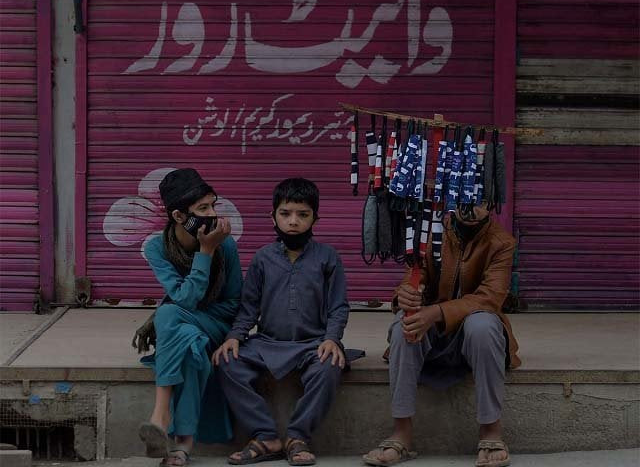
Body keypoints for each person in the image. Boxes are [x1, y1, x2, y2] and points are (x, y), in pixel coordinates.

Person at [213, 178, 359, 466]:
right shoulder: (262, 258)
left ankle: (297, 435)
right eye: (286, 213)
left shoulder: (328, 258)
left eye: (303, 215)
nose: (293, 222)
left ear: (315, 217)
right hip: (267, 343)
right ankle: (266, 436)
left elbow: (338, 306)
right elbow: (249, 307)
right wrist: (234, 336)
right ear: (273, 216)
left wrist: (331, 338)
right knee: (226, 361)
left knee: (330, 366)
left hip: (313, 344)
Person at [364, 204, 520, 467]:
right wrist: (405, 294)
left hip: (473, 335)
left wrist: (436, 312)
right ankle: (401, 434)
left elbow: (490, 298)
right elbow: (414, 276)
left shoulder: (502, 243)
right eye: (464, 197)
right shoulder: (431, 229)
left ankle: (491, 431)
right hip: (433, 332)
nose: (471, 207)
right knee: (406, 324)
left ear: (492, 204)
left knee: (482, 325)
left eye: (481, 200)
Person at [132, 168, 242, 467]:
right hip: (185, 327)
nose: (212, 214)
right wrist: (204, 253)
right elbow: (186, 298)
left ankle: (160, 413)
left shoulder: (226, 244)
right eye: (203, 209)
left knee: (168, 312)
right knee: (191, 347)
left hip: (218, 323)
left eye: (212, 205)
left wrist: (208, 250)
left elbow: (233, 304)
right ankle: (183, 444)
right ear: (180, 216)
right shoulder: (158, 247)